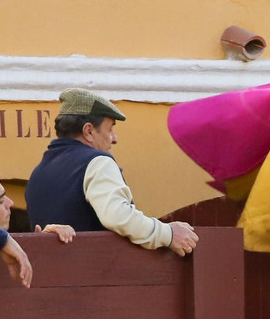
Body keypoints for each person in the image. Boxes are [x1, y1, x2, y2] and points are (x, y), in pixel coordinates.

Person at [25, 89, 198, 255]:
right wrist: (168, 234)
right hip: (95, 278)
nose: (114, 138)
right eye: (110, 129)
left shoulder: (38, 172)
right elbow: (118, 216)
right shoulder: (98, 162)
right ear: (89, 131)